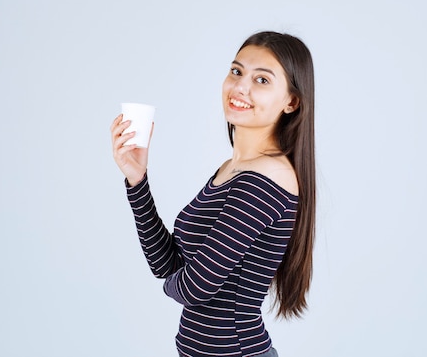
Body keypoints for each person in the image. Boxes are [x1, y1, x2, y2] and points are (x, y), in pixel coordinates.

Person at [110, 31, 316, 357]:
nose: (241, 87)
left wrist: (172, 286)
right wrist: (137, 182)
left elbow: (195, 286)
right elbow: (168, 264)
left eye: (262, 80)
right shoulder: (231, 169)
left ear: (291, 101)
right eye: (236, 72)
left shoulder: (268, 178)